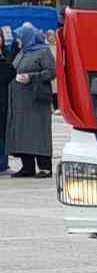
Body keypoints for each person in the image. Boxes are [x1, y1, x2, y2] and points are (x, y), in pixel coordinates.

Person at [5, 24, 56, 178]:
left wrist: (32, 77)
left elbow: (52, 72)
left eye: (20, 36)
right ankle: (27, 167)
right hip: (20, 102)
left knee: (38, 134)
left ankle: (45, 167)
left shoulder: (43, 52)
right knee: (22, 134)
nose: (18, 40)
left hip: (35, 101)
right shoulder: (22, 52)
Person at [0, 26, 15, 173]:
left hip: (4, 100)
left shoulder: (6, 54)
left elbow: (10, 72)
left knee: (3, 132)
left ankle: (2, 162)